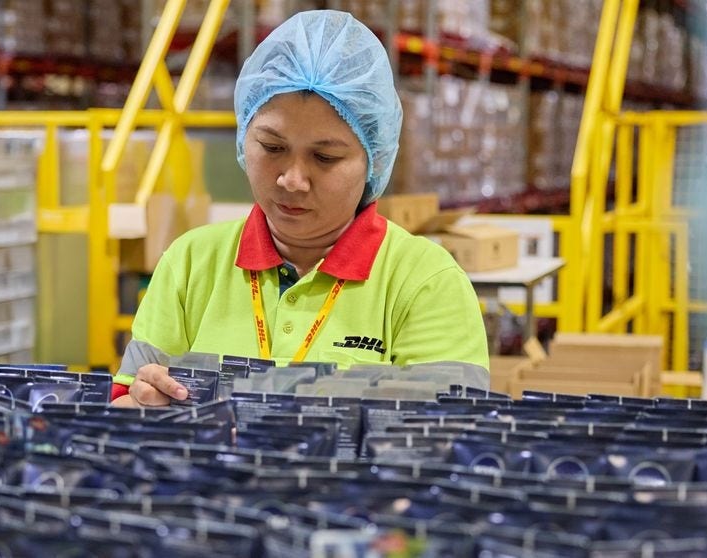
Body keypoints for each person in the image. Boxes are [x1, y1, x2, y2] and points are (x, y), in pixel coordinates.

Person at [111, 10, 488, 407]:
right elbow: (121, 406)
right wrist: (142, 403)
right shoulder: (190, 264)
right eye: (272, 148)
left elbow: (450, 441)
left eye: (325, 157)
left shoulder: (425, 283)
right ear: (244, 137)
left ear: (373, 160)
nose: (292, 179)